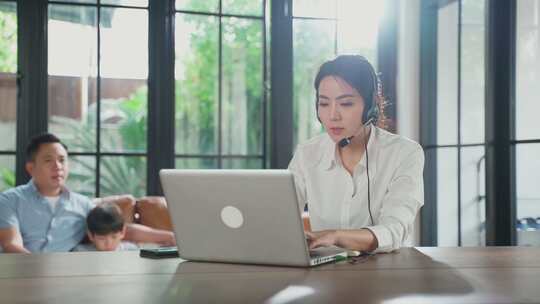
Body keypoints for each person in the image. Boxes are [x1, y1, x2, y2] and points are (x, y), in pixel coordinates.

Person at [288, 55, 424, 253]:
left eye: (346, 104)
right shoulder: (307, 154)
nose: (333, 115)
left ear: (371, 106)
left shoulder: (405, 153)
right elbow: (280, 217)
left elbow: (394, 230)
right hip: (324, 274)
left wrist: (335, 236)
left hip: (385, 272)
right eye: (324, 104)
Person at [0, 133, 175, 253]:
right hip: (22, 273)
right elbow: (11, 245)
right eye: (48, 161)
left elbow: (120, 230)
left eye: (62, 160)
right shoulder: (10, 200)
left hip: (66, 278)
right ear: (31, 168)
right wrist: (38, 274)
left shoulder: (82, 205)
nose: (58, 166)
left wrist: (171, 237)